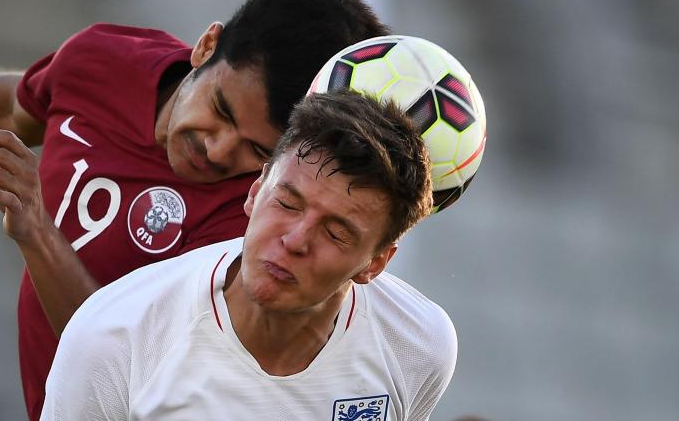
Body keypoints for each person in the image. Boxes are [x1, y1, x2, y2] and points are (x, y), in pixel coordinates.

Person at [0, 0, 389, 418]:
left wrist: (37, 230)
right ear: (206, 47)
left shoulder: (253, 229)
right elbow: (18, 105)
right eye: (220, 111)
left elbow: (131, 377)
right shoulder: (104, 60)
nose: (219, 151)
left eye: (258, 151)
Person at [41, 91, 456, 420]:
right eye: (287, 203)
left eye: (335, 232)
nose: (295, 240)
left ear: (376, 263)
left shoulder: (418, 346)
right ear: (256, 191)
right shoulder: (114, 337)